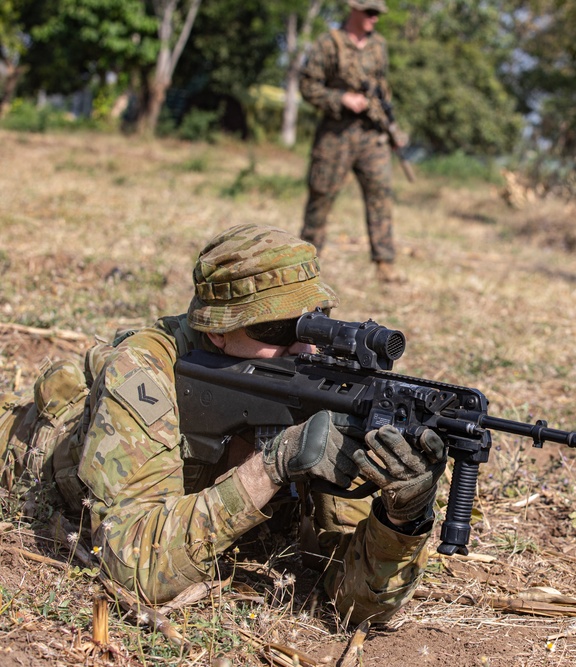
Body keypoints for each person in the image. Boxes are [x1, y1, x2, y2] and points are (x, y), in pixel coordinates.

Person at [0, 224, 443, 624]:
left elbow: (353, 600)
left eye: (313, 325)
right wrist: (272, 466)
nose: (302, 349)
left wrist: (400, 521)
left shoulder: (327, 386)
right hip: (28, 446)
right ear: (217, 332)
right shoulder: (146, 370)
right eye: (275, 331)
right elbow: (132, 566)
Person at [299, 0, 407, 285]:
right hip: (336, 135)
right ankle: (305, 267)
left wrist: (391, 127)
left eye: (378, 13)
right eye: (370, 12)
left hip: (372, 135)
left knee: (381, 194)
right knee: (320, 197)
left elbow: (383, 88)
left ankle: (385, 263)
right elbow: (307, 85)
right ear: (354, 9)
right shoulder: (328, 43)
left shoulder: (379, 45)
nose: (375, 18)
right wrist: (340, 99)